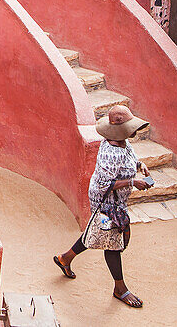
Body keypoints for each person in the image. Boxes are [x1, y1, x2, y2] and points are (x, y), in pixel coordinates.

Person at [53, 105, 151, 308]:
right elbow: (104, 185)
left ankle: (65, 258)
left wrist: (139, 165)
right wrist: (133, 182)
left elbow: (129, 160)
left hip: (116, 202)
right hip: (106, 205)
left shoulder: (122, 143)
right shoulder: (111, 152)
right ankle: (120, 289)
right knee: (112, 244)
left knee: (96, 233)